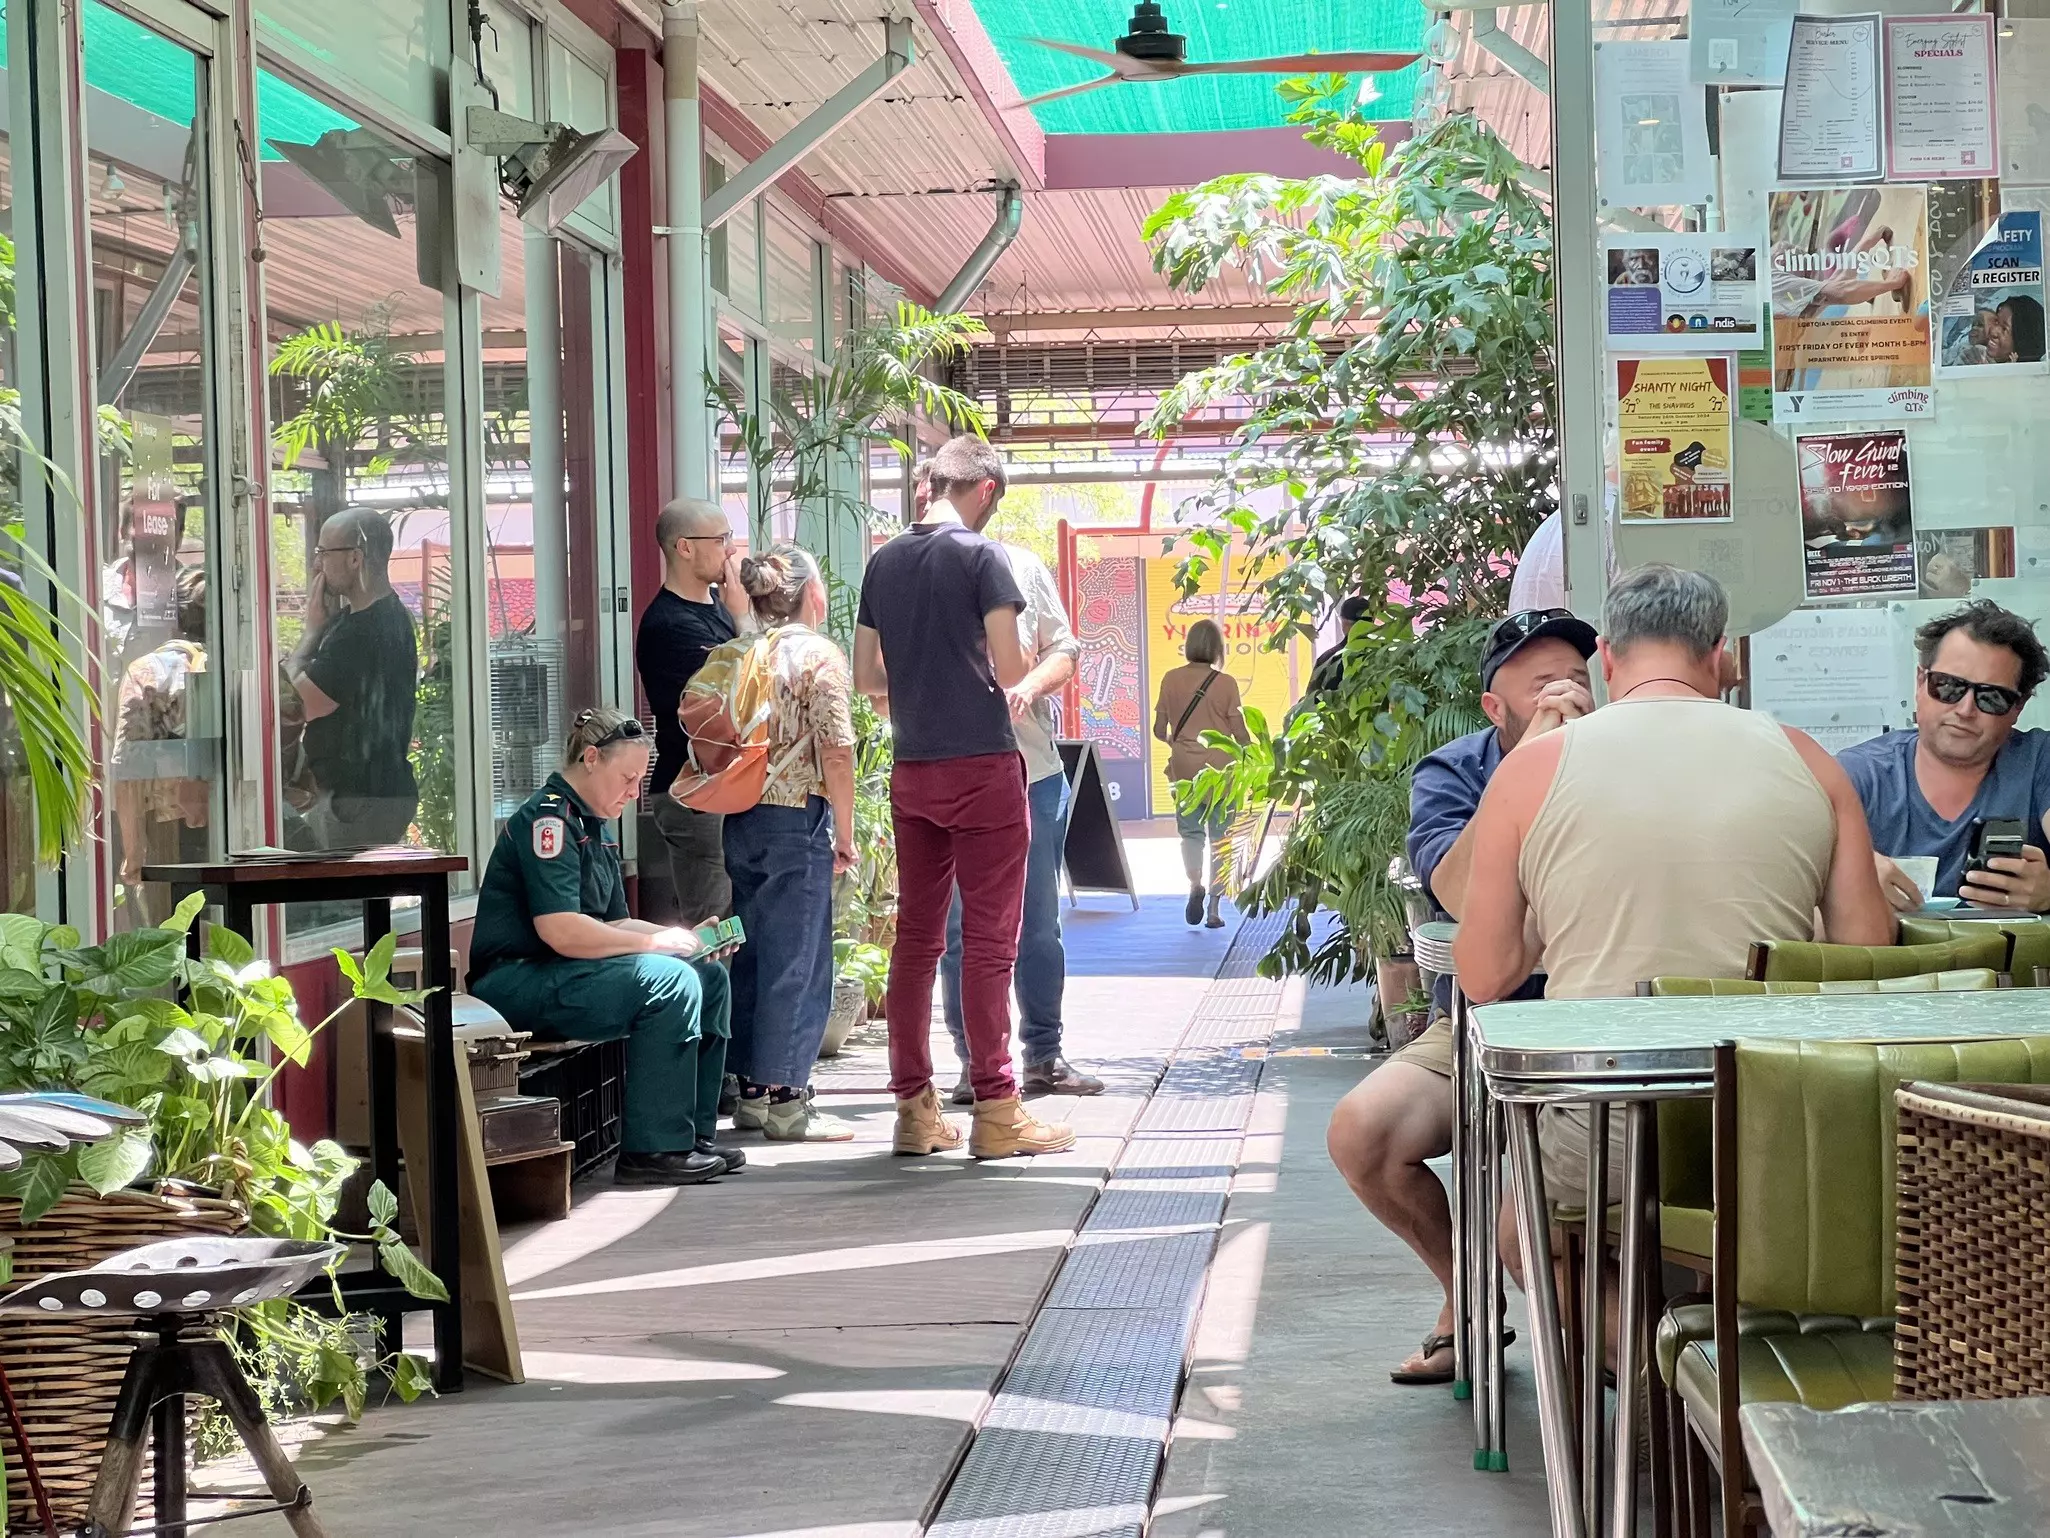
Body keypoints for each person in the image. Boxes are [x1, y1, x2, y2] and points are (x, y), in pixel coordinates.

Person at [1453, 565, 1891, 1281]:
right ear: (1720, 654)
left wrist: (1557, 911)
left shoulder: (1532, 769)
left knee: (1528, 1239)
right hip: (1774, 1115)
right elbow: (1866, 954)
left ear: (1608, 656)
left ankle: (1648, 1378)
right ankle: (1709, 1375)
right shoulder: (1809, 759)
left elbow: (1484, 974)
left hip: (1609, 1114)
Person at [1324, 605, 1597, 1385]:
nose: (1566, 697)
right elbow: (1451, 886)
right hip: (1480, 1017)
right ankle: (1469, 1294)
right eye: (1543, 685)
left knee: (1552, 1200)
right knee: (1362, 1133)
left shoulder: (1621, 762)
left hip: (1595, 1012)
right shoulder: (1457, 771)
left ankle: (1601, 1328)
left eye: (1578, 680)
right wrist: (1523, 776)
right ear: (1495, 707)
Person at [854, 436, 1075, 1160]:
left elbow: (867, 680)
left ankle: (915, 1113)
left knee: (916, 943)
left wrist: (920, 692)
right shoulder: (984, 560)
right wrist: (1034, 671)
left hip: (913, 768)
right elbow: (1012, 669)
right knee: (988, 944)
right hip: (983, 767)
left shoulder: (881, 562)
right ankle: (998, 1112)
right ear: (983, 489)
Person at [468, 707, 744, 1186]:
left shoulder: (596, 825)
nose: (634, 792)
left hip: (568, 972)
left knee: (706, 975)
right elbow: (562, 930)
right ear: (591, 758)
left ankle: (691, 1137)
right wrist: (657, 945)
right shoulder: (549, 821)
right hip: (518, 979)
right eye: (628, 778)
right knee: (670, 982)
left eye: (640, 780)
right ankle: (653, 1153)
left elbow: (614, 922)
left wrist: (686, 941)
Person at [927, 438, 1100, 1106]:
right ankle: (976, 1064)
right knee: (959, 929)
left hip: (1030, 769)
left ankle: (1043, 1056)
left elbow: (1065, 648)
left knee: (1037, 923)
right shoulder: (914, 568)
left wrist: (1028, 685)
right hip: (951, 772)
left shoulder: (1022, 567)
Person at [719, 545, 860, 1142]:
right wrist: (847, 834)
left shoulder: (737, 652)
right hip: (795, 817)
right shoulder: (818, 655)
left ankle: (750, 1093)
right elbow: (837, 748)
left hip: (739, 815)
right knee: (798, 960)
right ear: (808, 593)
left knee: (751, 955)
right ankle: (786, 1101)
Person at [1840, 600, 2050, 912]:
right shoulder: (1855, 775)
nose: (1965, 710)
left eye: (1991, 697)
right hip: (1888, 959)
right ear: (1920, 683)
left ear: (2017, 708)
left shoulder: (2039, 761)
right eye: (1949, 686)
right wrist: (1844, 872)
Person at [636, 496, 750, 922]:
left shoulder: (719, 607)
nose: (731, 549)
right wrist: (743, 622)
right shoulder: (668, 624)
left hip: (725, 787)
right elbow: (730, 700)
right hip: (694, 791)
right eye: (721, 539)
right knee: (715, 926)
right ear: (684, 547)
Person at [286, 506, 419, 848]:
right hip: (373, 795)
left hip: (358, 802)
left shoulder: (362, 633)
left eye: (323, 553)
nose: (317, 565)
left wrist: (310, 634)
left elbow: (294, 704)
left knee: (337, 901)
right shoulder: (384, 617)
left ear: (355, 559)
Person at [113, 563, 213, 919]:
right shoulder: (249, 665)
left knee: (176, 932)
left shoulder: (146, 671)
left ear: (174, 619)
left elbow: (127, 767)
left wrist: (134, 850)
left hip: (167, 829)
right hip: (239, 818)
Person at [1153, 619, 1250, 928]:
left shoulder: (1170, 679)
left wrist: (1177, 741)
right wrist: (1257, 753)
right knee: (1222, 837)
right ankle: (1214, 908)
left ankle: (1195, 884)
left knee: (1191, 833)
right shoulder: (1226, 683)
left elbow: (1159, 730)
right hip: (1222, 770)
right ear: (1217, 649)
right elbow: (1239, 732)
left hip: (1184, 768)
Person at [1304, 595, 1369, 701]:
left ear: (1344, 622)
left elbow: (1311, 701)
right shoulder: (1386, 654)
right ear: (1373, 620)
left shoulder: (1327, 659)